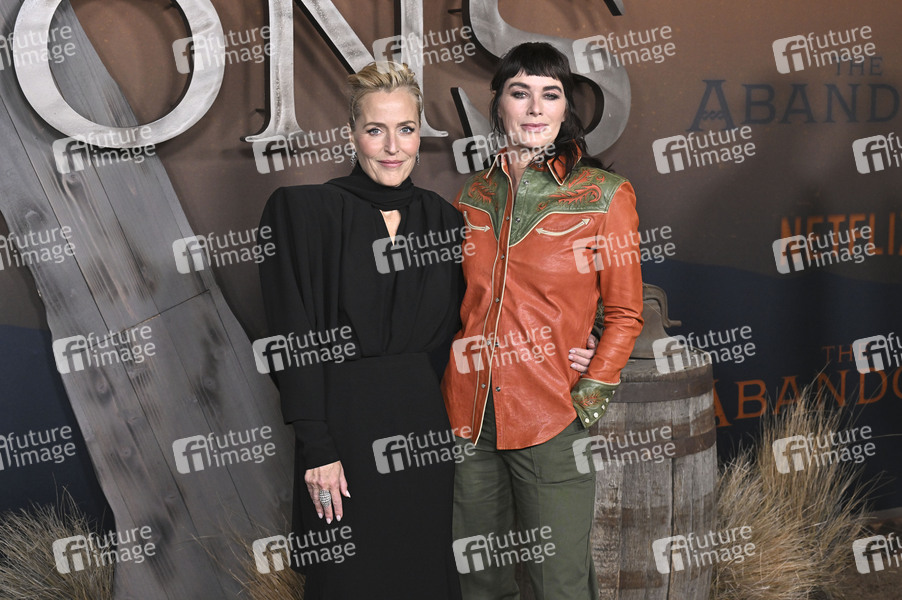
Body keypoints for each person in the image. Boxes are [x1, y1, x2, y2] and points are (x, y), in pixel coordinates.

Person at [258, 61, 597, 598]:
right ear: (352, 133)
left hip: (429, 437)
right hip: (341, 433)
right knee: (347, 581)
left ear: (421, 135)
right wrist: (317, 447)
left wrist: (580, 343)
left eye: (406, 129)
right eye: (376, 130)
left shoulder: (447, 219)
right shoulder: (301, 212)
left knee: (426, 577)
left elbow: (494, 308)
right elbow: (291, 340)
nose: (392, 147)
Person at [442, 42, 644, 599]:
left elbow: (626, 313)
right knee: (479, 580)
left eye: (550, 94)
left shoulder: (604, 196)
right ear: (498, 104)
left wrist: (591, 387)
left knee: (559, 582)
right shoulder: (472, 195)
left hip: (551, 415)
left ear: (565, 108)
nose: (535, 108)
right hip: (470, 413)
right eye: (520, 93)